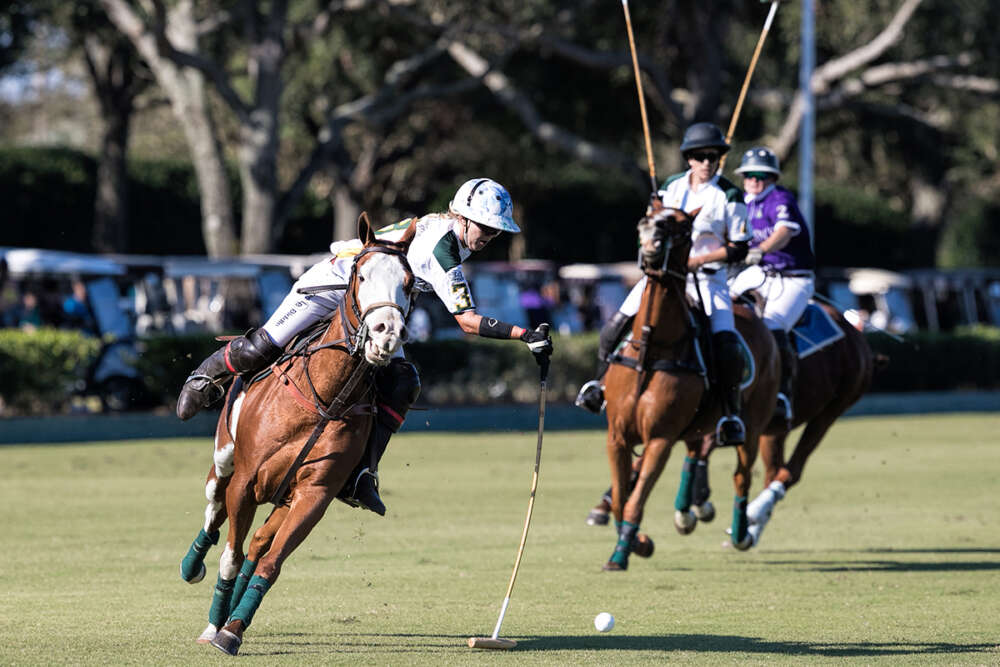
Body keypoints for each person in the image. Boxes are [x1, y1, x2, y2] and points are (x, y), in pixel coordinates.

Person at [175, 178, 553, 514]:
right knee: (264, 346)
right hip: (337, 282)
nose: (488, 236)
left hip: (377, 303)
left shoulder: (455, 238)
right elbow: (466, 321)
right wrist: (524, 335)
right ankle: (207, 375)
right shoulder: (445, 248)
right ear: (462, 217)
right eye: (485, 227)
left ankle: (362, 473)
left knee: (404, 382)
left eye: (496, 231)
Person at [575, 122, 751, 446]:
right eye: (700, 156)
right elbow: (648, 233)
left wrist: (697, 260)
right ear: (689, 158)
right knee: (616, 325)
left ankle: (729, 414)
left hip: (709, 280)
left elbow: (740, 246)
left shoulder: (729, 194)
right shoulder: (670, 187)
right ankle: (597, 386)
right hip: (663, 276)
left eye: (713, 156)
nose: (707, 162)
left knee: (727, 345)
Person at [730, 147, 814, 424]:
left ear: (772, 178)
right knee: (718, 307)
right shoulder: (741, 201)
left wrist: (760, 249)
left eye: (761, 176)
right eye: (749, 175)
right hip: (757, 274)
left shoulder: (780, 198)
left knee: (773, 325)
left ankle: (781, 394)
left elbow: (784, 231)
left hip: (792, 279)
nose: (755, 181)